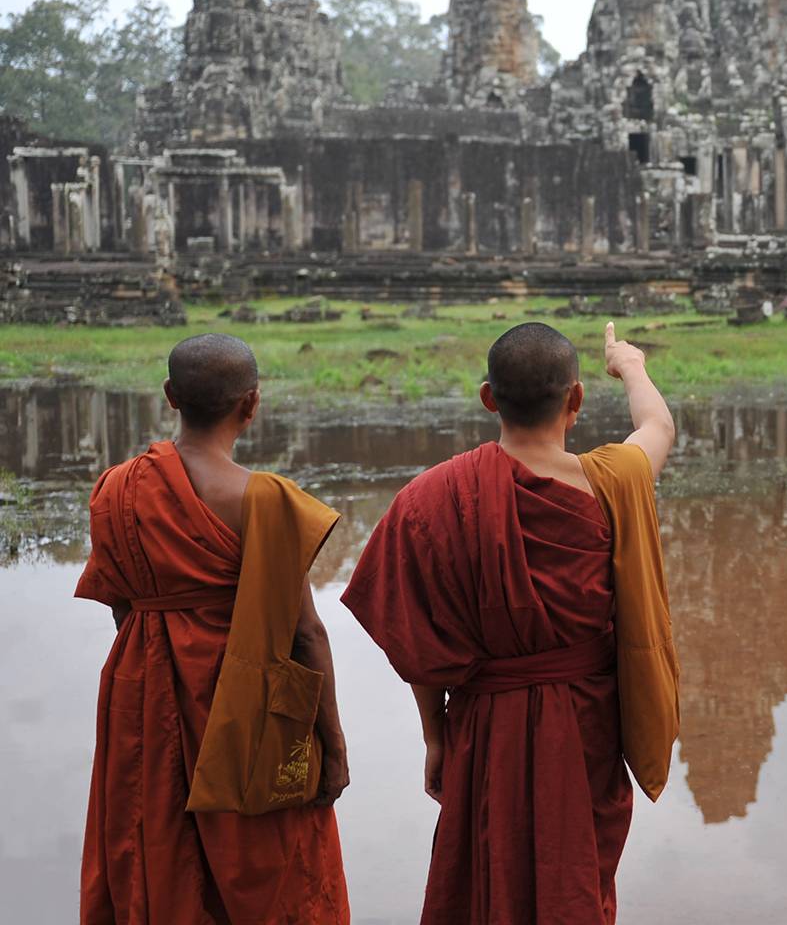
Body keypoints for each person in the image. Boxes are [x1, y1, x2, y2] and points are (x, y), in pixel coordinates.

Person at [343, 322, 680, 925]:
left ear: (487, 398)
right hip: (586, 726)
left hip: (482, 722)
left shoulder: (430, 498)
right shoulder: (613, 482)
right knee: (576, 876)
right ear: (575, 401)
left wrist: (435, 736)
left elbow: (419, 640)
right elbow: (658, 427)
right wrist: (630, 366)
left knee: (479, 880)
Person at [75, 333, 350, 924]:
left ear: (170, 396)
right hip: (245, 707)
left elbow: (120, 606)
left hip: (141, 698)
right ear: (251, 405)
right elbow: (306, 635)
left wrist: (161, 656)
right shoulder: (264, 500)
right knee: (269, 867)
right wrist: (334, 749)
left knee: (152, 845)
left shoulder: (116, 488)